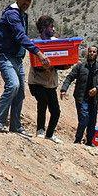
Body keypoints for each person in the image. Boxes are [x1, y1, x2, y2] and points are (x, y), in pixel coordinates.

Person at [0, 0, 50, 137]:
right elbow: (20, 35)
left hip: (16, 58)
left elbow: (22, 36)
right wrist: (38, 53)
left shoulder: (23, 15)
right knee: (13, 85)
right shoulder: (12, 14)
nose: (26, 2)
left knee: (20, 93)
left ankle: (15, 126)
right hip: (4, 56)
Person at [60, 46, 98, 146]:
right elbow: (70, 77)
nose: (92, 53)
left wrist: (97, 88)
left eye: (94, 52)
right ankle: (78, 140)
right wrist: (63, 89)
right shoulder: (80, 66)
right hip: (81, 97)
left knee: (92, 120)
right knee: (84, 118)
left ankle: (89, 141)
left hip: (94, 99)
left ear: (97, 54)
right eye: (90, 51)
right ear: (87, 53)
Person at [27, 15, 65, 143]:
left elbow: (59, 61)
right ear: (44, 28)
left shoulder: (56, 42)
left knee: (56, 111)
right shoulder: (35, 44)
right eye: (51, 26)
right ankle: (40, 130)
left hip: (50, 83)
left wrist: (65, 64)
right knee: (42, 103)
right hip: (36, 81)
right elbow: (36, 65)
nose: (53, 29)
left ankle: (49, 134)